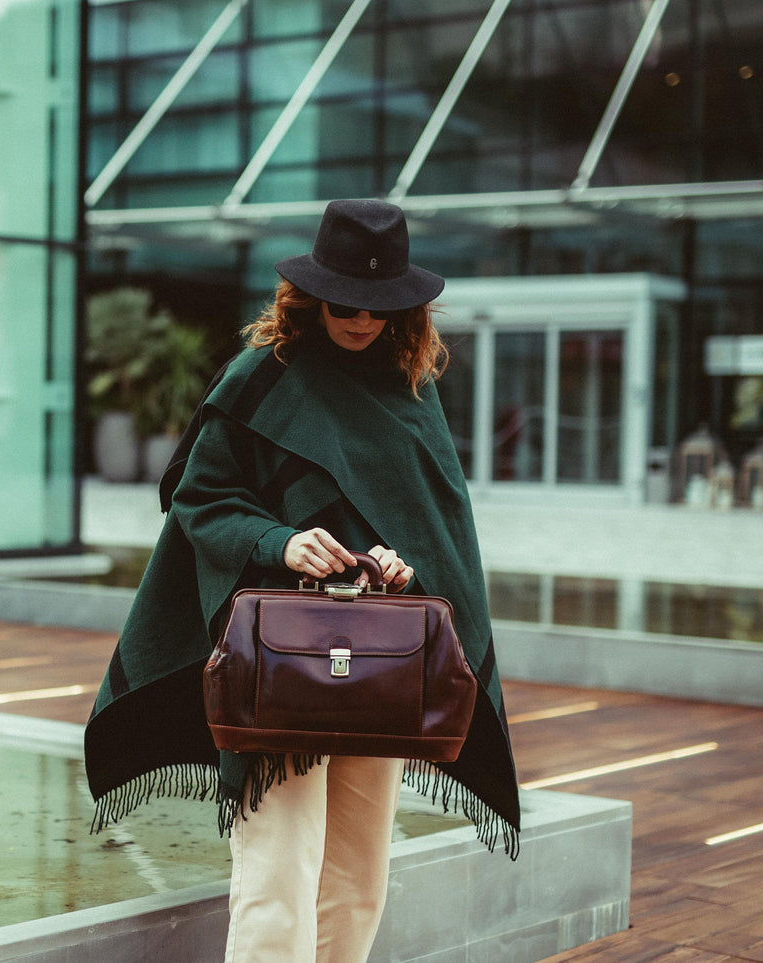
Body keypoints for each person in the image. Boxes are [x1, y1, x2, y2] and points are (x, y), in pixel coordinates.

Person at [83, 199, 521, 963]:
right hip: (281, 662)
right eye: (345, 301)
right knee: (277, 875)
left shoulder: (408, 391)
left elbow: (433, 527)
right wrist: (281, 541)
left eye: (380, 306)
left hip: (380, 662)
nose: (359, 318)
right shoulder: (260, 378)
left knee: (358, 877)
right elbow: (200, 497)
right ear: (312, 293)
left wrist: (397, 566)